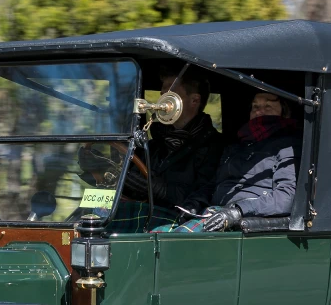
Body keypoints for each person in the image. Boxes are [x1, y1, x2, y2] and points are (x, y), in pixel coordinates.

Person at [158, 90, 300, 233]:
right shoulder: (236, 147)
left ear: (285, 113)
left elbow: (286, 197)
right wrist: (193, 203)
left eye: (268, 107)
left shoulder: (288, 146)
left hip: (247, 221)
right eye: (255, 107)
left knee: (175, 240)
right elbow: (212, 185)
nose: (259, 112)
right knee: (153, 227)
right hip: (214, 212)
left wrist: (238, 212)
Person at [121, 69, 223, 207]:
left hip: (177, 223)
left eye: (170, 96)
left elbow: (204, 196)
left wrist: (161, 190)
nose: (161, 101)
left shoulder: (216, 147)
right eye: (162, 95)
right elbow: (128, 182)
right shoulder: (154, 144)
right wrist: (98, 167)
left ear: (194, 100)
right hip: (141, 215)